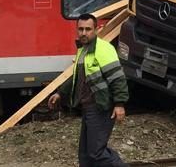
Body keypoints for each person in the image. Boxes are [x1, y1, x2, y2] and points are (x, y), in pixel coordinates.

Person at [49, 13, 129, 167]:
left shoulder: (104, 49)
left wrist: (119, 104)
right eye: (81, 29)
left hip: (101, 108)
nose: (84, 33)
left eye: (88, 29)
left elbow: (117, 77)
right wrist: (60, 93)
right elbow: (77, 77)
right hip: (88, 108)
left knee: (96, 153)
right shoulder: (83, 50)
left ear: (96, 29)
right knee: (85, 155)